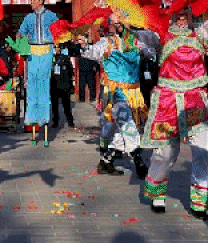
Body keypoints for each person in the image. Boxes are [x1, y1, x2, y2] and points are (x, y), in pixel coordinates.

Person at [141, 0, 208, 218]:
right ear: (170, 14)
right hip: (167, 99)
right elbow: (138, 38)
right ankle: (158, 192)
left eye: (185, 13)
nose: (182, 17)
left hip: (195, 99)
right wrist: (126, 23)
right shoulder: (161, 35)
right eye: (177, 13)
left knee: (201, 151)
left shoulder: (201, 33)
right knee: (165, 152)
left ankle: (199, 203)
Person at [83, 13, 151, 178]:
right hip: (115, 92)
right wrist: (84, 44)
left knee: (117, 130)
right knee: (125, 123)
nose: (117, 24)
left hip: (134, 92)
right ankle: (138, 160)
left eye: (119, 21)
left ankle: (105, 162)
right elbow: (89, 53)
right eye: (113, 22)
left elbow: (152, 53)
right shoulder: (106, 43)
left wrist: (146, 51)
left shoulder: (136, 41)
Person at [17, 0, 59, 138]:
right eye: (31, 0)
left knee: (43, 82)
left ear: (41, 1)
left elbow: (59, 32)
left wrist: (58, 43)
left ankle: (43, 117)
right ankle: (31, 118)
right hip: (33, 51)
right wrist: (20, 43)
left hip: (46, 49)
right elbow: (20, 33)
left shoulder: (52, 16)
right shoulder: (28, 18)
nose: (31, 2)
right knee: (32, 83)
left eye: (33, 0)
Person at [50, 42, 75, 130]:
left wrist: (70, 84)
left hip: (64, 85)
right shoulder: (50, 59)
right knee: (54, 106)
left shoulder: (65, 58)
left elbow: (71, 71)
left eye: (57, 47)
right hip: (54, 85)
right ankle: (55, 121)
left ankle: (70, 121)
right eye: (54, 47)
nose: (56, 49)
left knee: (67, 105)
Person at [75, 35, 99, 102]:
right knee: (82, 84)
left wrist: (95, 66)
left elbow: (95, 57)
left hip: (90, 68)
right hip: (82, 68)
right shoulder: (78, 48)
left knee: (91, 84)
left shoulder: (91, 47)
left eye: (82, 39)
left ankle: (92, 98)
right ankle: (81, 99)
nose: (81, 41)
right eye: (80, 40)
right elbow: (74, 50)